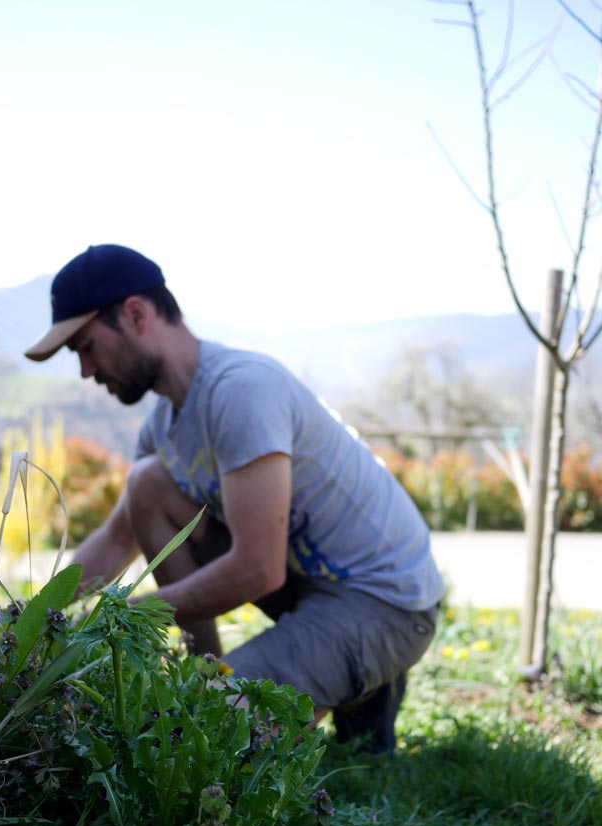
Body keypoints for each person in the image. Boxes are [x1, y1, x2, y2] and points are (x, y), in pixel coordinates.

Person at [25, 244, 445, 752]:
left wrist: (127, 617)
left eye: (86, 347)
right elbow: (117, 538)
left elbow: (258, 569)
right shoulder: (164, 426)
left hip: (385, 601)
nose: (86, 371)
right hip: (307, 586)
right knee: (147, 485)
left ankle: (350, 677)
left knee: (197, 731)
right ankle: (214, 675)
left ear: (135, 315)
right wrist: (35, 620)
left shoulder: (242, 390)